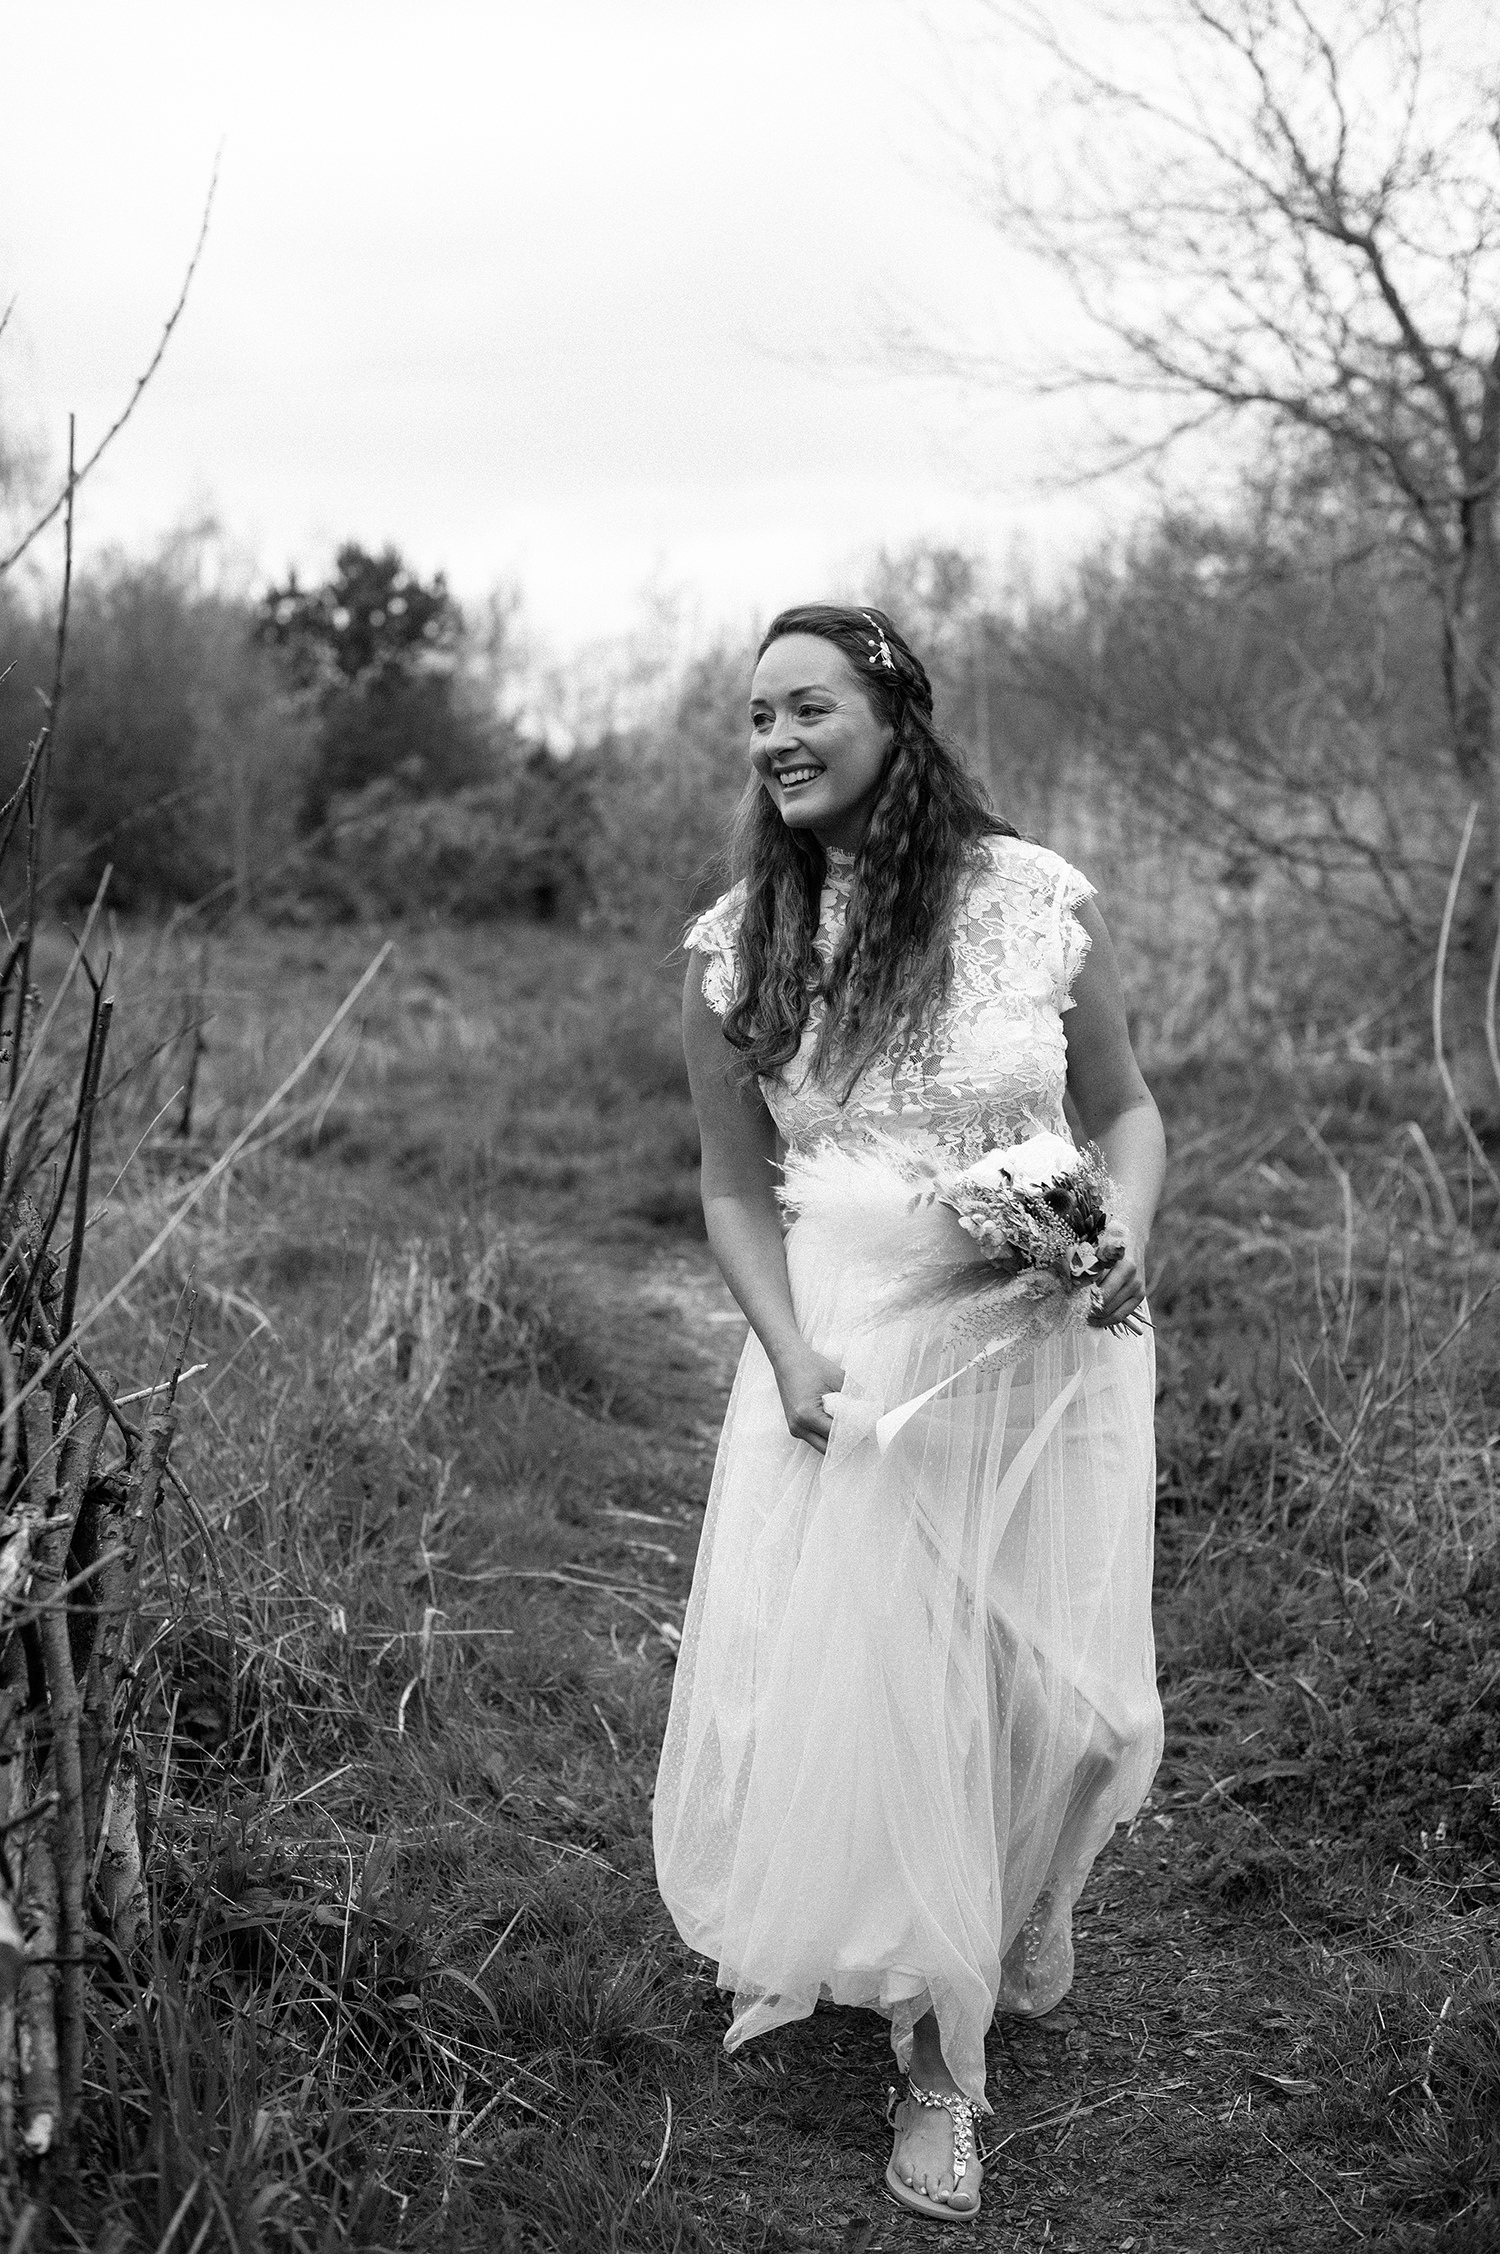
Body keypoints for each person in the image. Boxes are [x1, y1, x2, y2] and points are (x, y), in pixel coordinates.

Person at [653, 603, 1165, 2223]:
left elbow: (1127, 1110)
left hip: (1052, 1337)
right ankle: (936, 2060)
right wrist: (790, 1349)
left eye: (804, 705)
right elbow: (736, 1189)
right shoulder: (739, 945)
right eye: (755, 719)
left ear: (894, 709)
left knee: (1078, 1716)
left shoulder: (1035, 901)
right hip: (857, 1366)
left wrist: (1118, 1229)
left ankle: (1009, 1900)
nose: (775, 739)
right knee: (915, 1711)